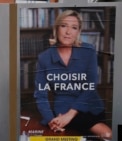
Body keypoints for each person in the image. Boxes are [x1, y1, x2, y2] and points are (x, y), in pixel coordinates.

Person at [34, 10, 112, 140]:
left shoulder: (88, 51)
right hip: (62, 110)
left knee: (107, 135)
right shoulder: (44, 58)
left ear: (78, 32)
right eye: (64, 26)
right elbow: (40, 95)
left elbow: (90, 86)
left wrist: (70, 115)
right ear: (56, 28)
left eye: (74, 28)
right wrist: (51, 120)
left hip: (89, 107)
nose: (68, 32)